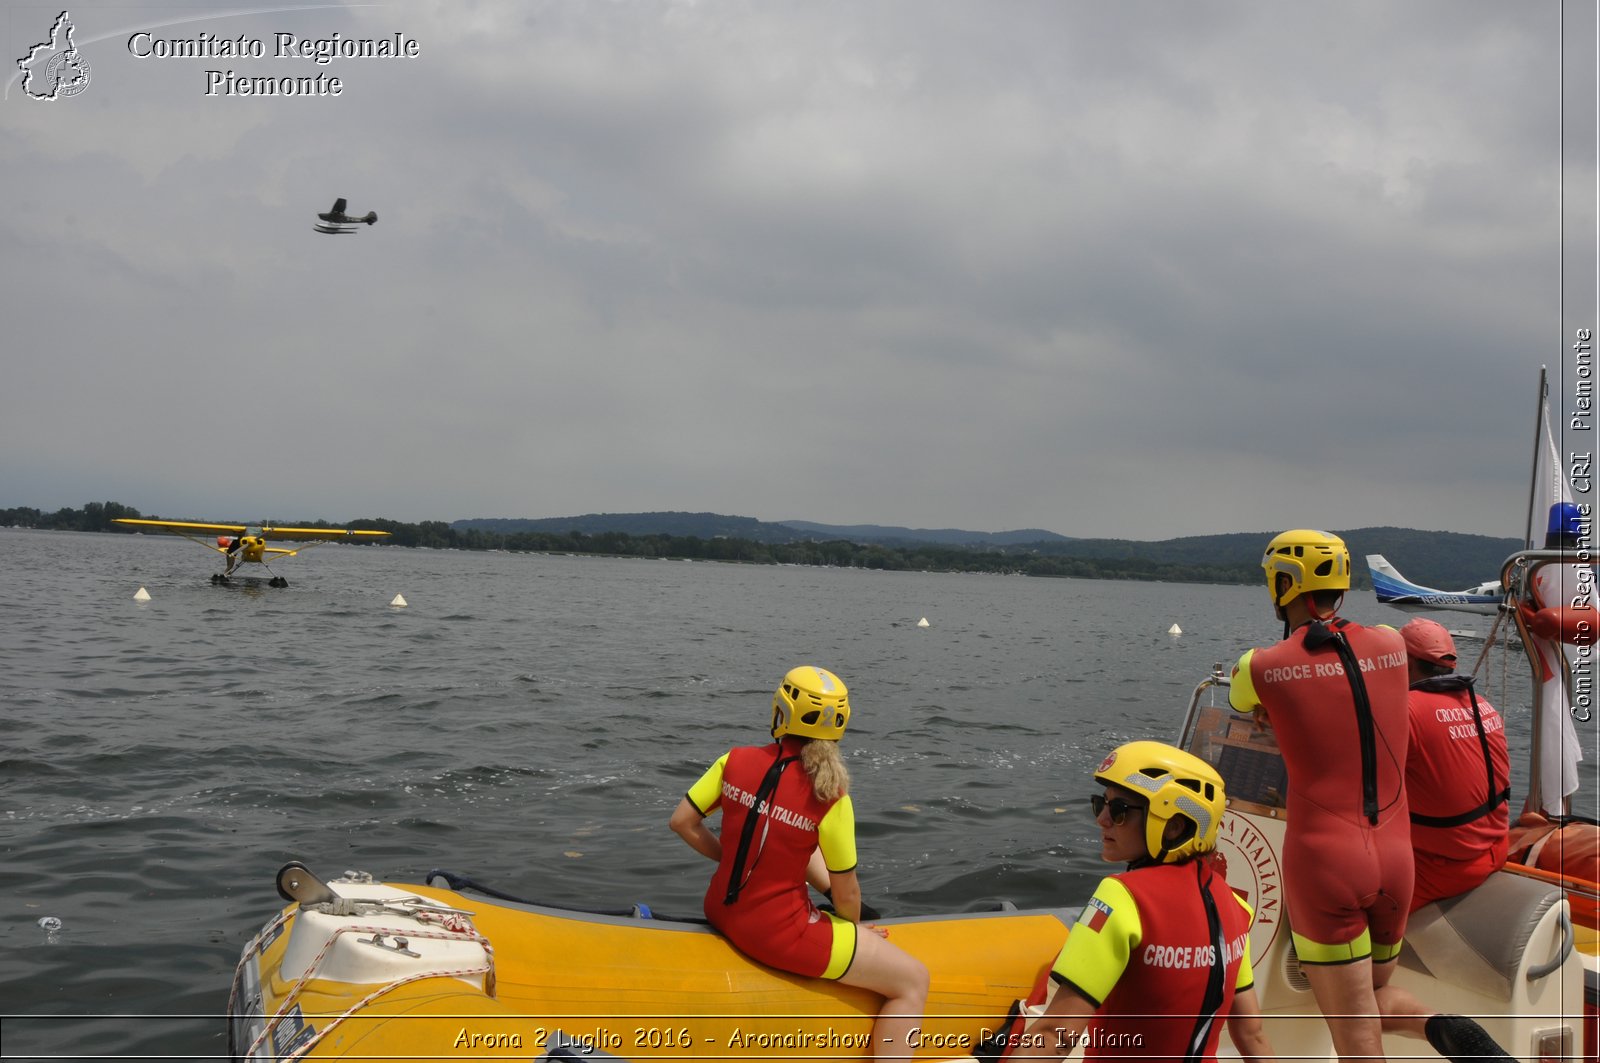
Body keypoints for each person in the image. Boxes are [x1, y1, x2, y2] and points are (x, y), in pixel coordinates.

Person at [1229, 530, 1509, 1063]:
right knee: (1370, 999)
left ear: (1283, 584)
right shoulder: (1389, 643)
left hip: (1326, 861)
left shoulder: (1261, 666)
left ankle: (1436, 1029)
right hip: (1396, 860)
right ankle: (1440, 1025)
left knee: (1355, 1037)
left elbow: (1246, 698)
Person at [668, 666, 928, 1061]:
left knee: (792, 840)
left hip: (719, 909)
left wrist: (736, 859)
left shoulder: (733, 759)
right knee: (914, 980)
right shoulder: (832, 795)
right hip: (777, 936)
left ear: (780, 711)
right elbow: (848, 891)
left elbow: (682, 823)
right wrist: (855, 931)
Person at [1011, 741, 1274, 1063]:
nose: (1102, 820)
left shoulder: (1122, 897)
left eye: (1119, 811)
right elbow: (1252, 1034)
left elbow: (1055, 1035)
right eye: (1100, 804)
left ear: (1175, 826)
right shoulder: (1234, 906)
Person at [1399, 618, 1511, 911]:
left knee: (1336, 911)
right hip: (1496, 848)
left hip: (1442, 869)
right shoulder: (1481, 703)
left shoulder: (1406, 711)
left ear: (1405, 662)